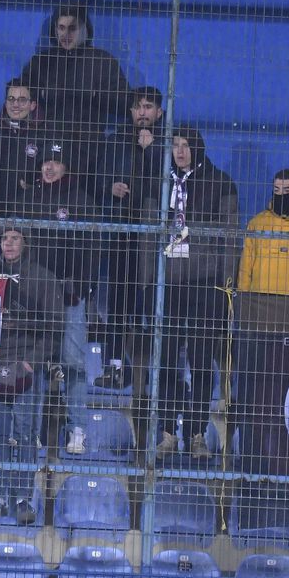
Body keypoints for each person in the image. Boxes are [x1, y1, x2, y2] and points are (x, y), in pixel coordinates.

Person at [156, 126, 240, 458]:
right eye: (175, 145)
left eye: (185, 145)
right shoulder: (160, 182)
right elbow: (148, 235)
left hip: (205, 284)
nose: (179, 151)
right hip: (169, 285)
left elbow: (230, 240)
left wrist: (226, 286)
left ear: (198, 148)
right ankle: (166, 432)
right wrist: (150, 282)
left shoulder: (220, 182)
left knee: (202, 362)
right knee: (165, 362)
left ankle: (196, 434)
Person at [0, 224, 63, 525]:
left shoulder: (42, 278)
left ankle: (25, 499)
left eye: (14, 239)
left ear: (25, 243)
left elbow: (54, 329)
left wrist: (31, 363)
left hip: (26, 366)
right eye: (4, 239)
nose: (8, 244)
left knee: (25, 435)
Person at [16, 140, 100, 455]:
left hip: (70, 295)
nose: (48, 167)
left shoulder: (81, 201)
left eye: (55, 162)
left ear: (66, 166)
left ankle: (77, 427)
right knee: (32, 361)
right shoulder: (29, 199)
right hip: (35, 296)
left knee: (74, 362)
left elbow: (92, 249)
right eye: (45, 162)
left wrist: (80, 285)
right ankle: (30, 432)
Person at [95, 86, 168, 391]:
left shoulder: (167, 146)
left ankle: (150, 374)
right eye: (138, 107)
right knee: (117, 305)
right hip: (122, 235)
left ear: (159, 113)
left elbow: (170, 185)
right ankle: (114, 366)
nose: (142, 113)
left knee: (150, 307)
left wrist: (151, 150)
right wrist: (109, 187)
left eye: (148, 107)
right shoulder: (115, 142)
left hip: (155, 243)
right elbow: (95, 178)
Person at [19, 3, 129, 185]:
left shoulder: (102, 61)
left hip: (88, 151)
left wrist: (95, 96)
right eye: (61, 28)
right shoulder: (42, 62)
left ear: (85, 29)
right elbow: (21, 95)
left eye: (72, 28)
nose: (65, 34)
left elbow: (125, 102)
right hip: (49, 149)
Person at [0, 79, 48, 219]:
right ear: (5, 103)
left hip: (33, 215)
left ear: (33, 105)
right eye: (11, 99)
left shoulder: (44, 136)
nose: (16, 105)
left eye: (22, 100)